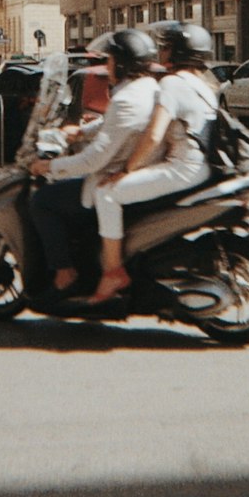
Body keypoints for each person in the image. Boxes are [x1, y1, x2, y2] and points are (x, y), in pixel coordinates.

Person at [88, 20, 217, 304]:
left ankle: (112, 272)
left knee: (106, 193)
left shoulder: (172, 83)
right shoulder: (206, 85)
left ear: (179, 52)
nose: (162, 51)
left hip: (183, 168)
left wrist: (126, 169)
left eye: (167, 46)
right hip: (201, 167)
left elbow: (154, 135)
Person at [28, 29, 159, 295]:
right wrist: (81, 131)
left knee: (43, 201)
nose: (106, 66)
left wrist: (49, 166)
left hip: (110, 174)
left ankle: (65, 271)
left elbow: (93, 160)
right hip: (134, 169)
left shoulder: (126, 98)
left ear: (121, 64)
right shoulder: (147, 88)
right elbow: (114, 122)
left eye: (109, 60)